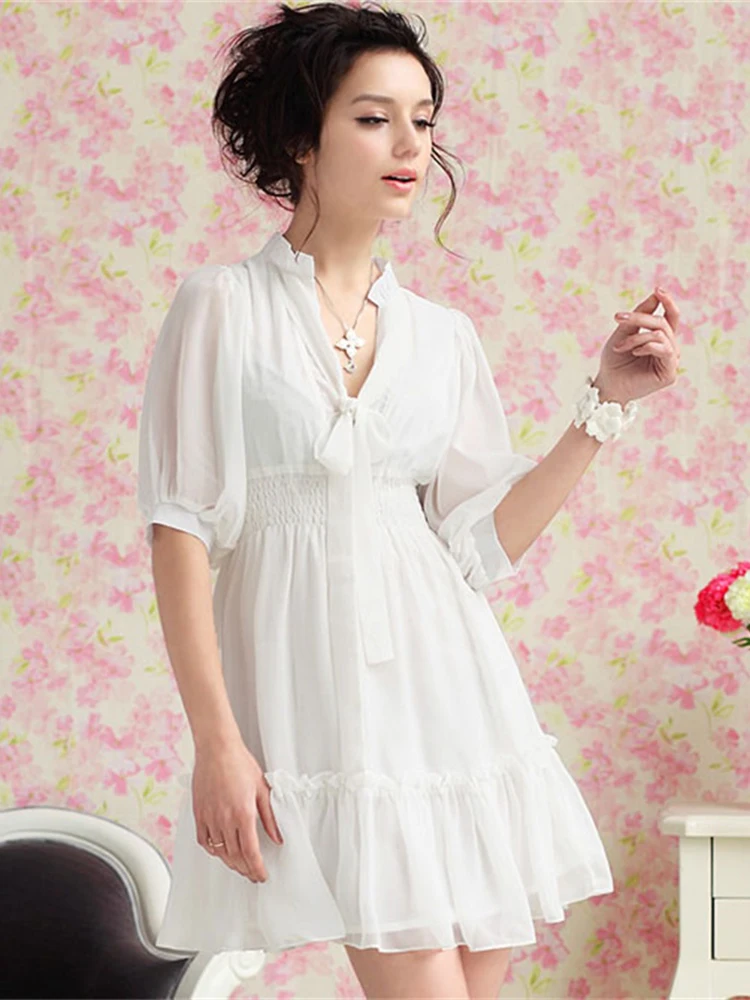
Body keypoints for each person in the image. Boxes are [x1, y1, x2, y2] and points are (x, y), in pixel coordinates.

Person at [136, 3, 681, 998]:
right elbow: (180, 529)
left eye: (423, 120)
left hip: (453, 702)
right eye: (373, 117)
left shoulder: (442, 336)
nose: (410, 145)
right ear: (301, 138)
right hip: (324, 711)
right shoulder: (222, 307)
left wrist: (602, 406)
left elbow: (476, 547)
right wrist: (218, 742)